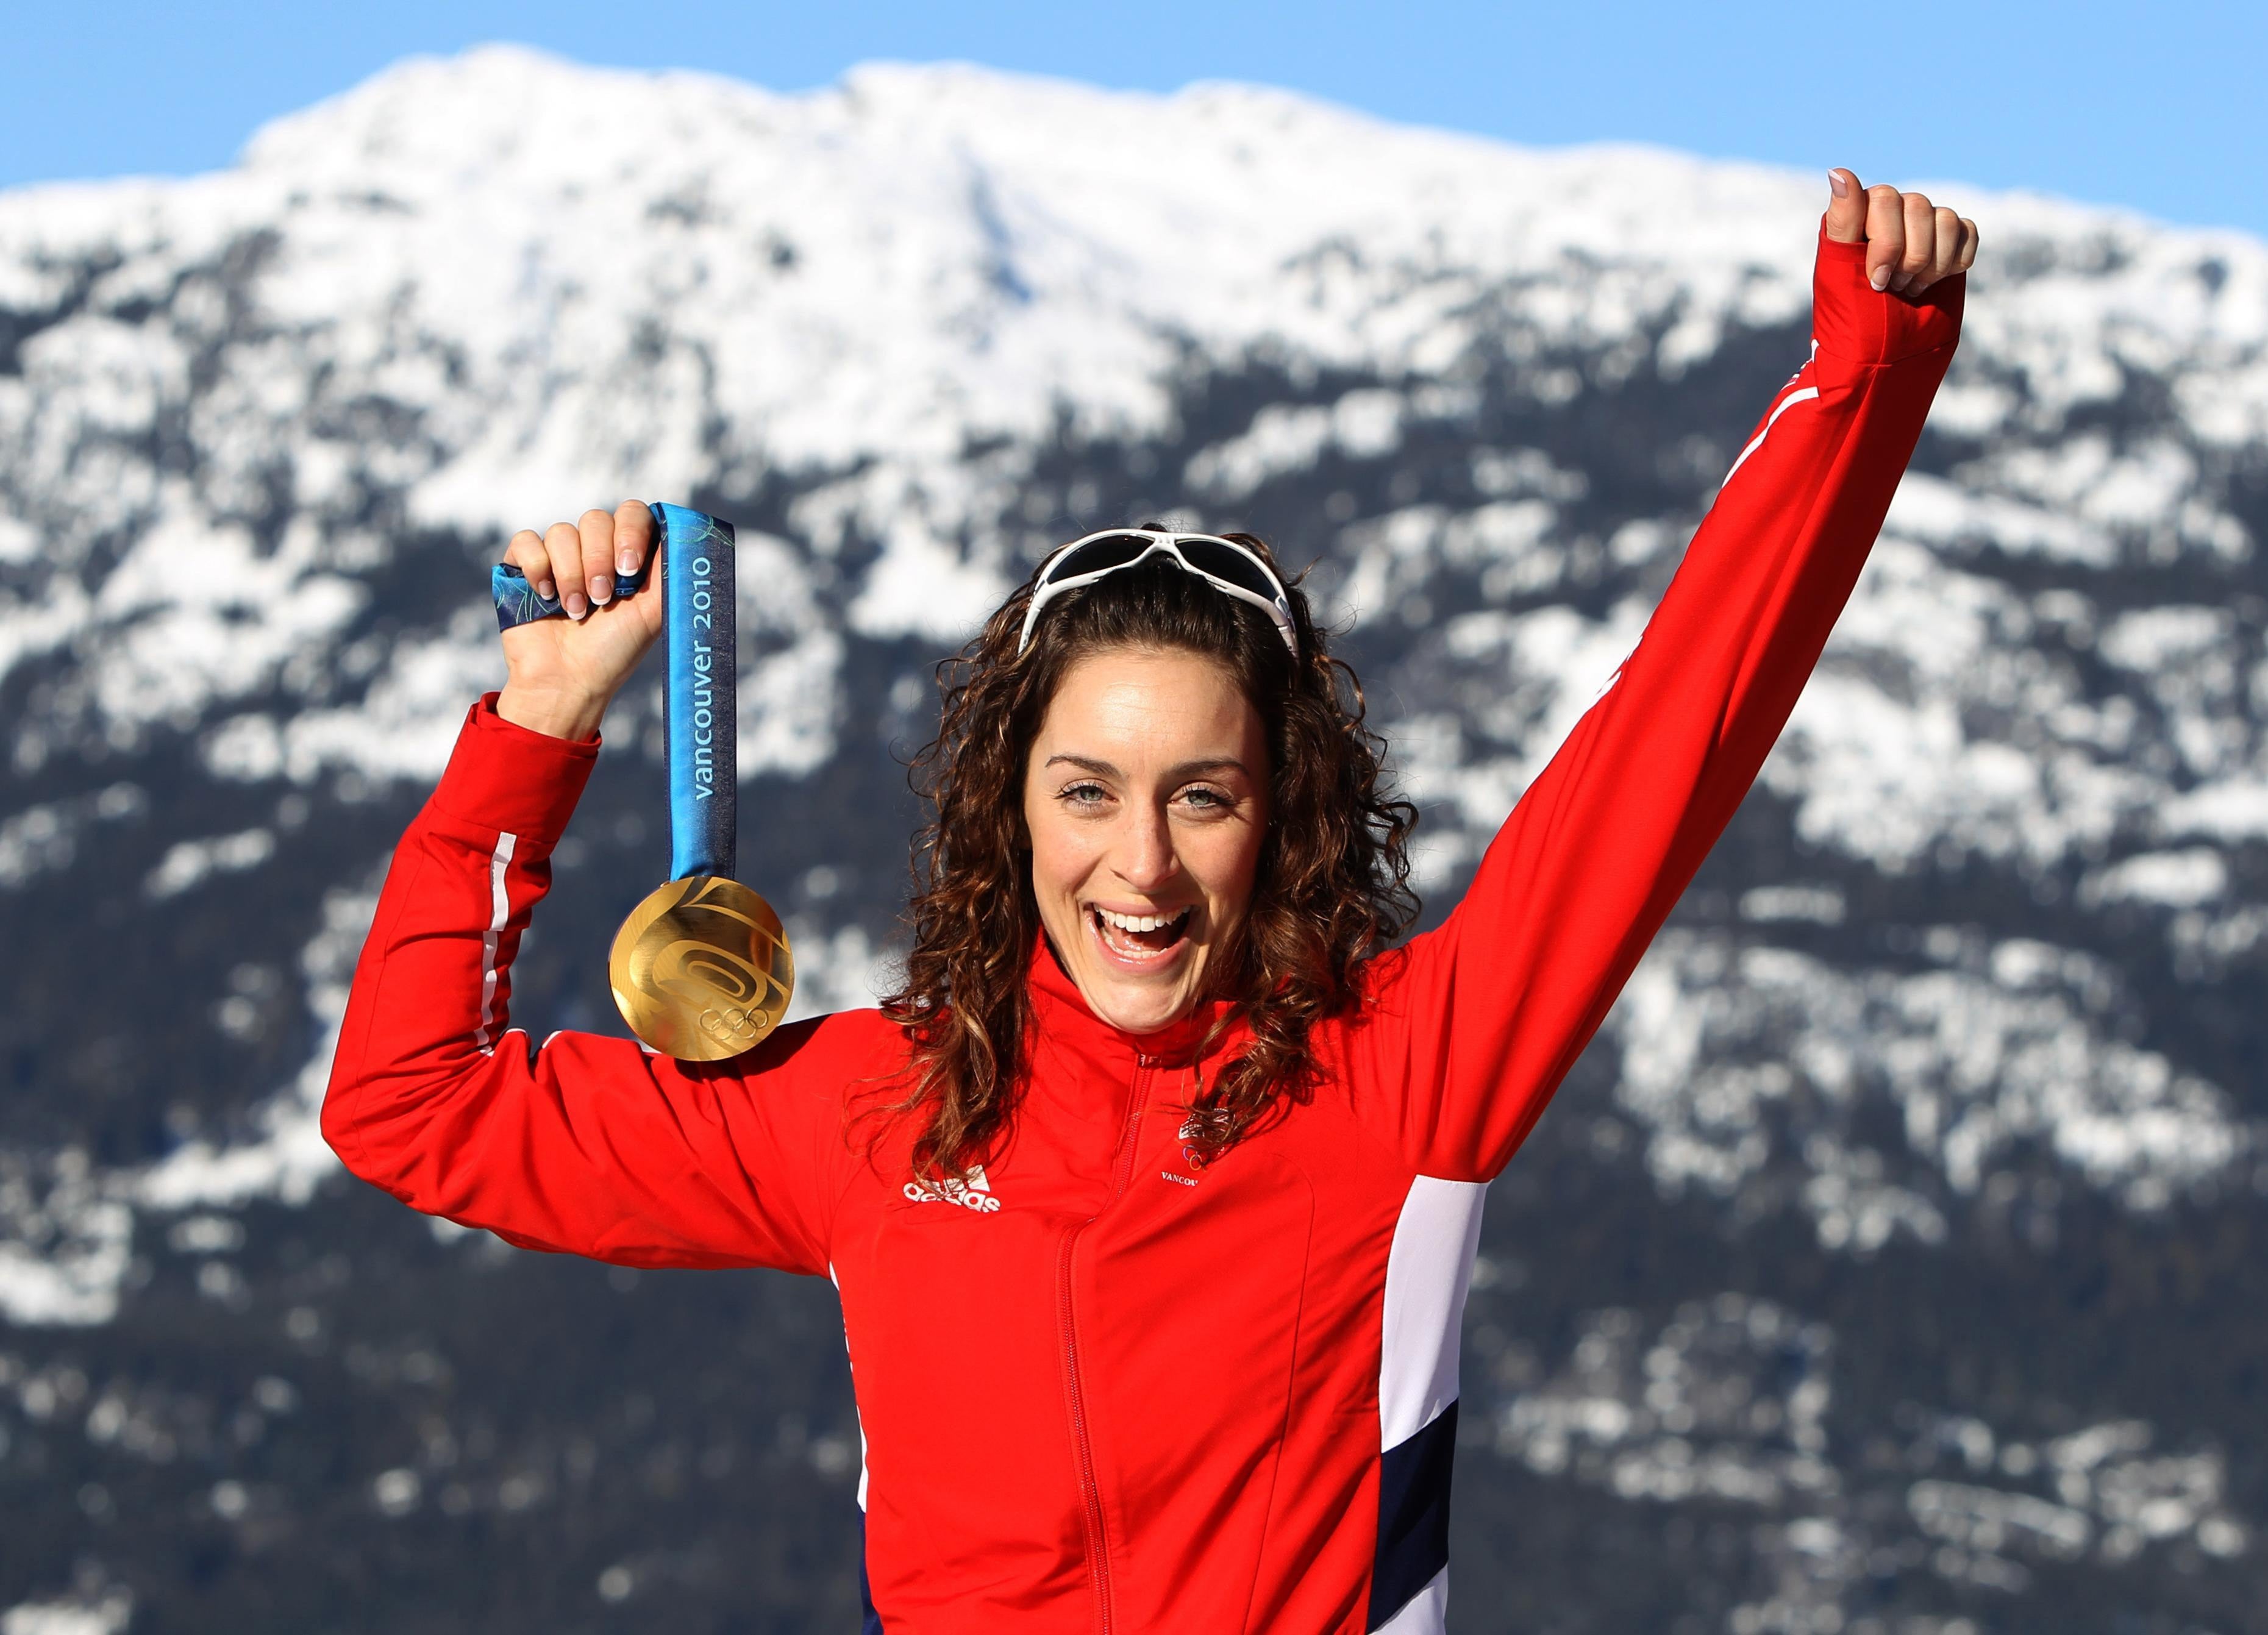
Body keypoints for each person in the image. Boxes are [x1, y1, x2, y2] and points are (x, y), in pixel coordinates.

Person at [324, 171, 1976, 1633]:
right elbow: (408, 1106)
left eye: (1205, 796)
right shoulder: (876, 1110)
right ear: (1011, 809)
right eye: (1087, 792)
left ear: (1284, 816)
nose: (1142, 865)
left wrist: (1871, 381)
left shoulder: (1405, 1077)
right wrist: (538, 726)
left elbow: (1677, 729)